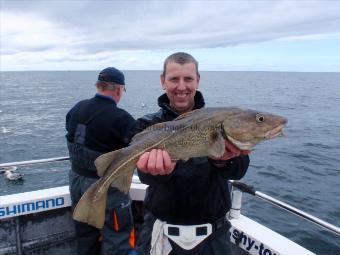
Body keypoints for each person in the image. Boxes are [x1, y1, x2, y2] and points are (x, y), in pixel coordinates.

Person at [133, 52, 250, 255]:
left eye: (188, 79)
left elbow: (239, 170)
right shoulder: (147, 126)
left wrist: (223, 162)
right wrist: (159, 171)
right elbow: (145, 176)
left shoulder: (220, 121)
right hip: (161, 235)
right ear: (163, 81)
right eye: (174, 79)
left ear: (197, 80)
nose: (181, 87)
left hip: (214, 238)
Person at [66, 67, 136, 255]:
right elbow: (138, 146)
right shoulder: (121, 118)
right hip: (106, 188)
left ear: (99, 86)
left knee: (86, 235)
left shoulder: (76, 108)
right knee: (117, 239)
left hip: (77, 182)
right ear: (119, 89)